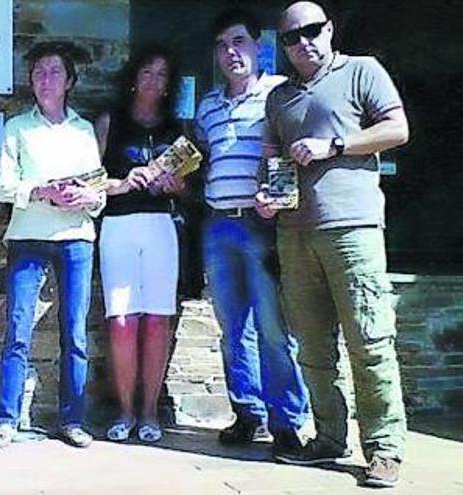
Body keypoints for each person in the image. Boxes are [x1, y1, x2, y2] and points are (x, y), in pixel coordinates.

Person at [255, 2, 409, 488]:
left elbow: (397, 129)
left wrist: (335, 145)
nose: (303, 41)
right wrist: (266, 197)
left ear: (329, 30)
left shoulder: (362, 71)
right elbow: (273, 160)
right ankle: (328, 437)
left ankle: (384, 449)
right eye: (291, 37)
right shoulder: (279, 98)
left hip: (352, 229)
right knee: (314, 348)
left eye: (312, 30)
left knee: (369, 340)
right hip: (294, 233)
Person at [192, 9, 309, 455]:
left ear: (258, 45)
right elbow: (201, 156)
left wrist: (275, 201)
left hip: (262, 225)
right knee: (232, 327)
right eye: (222, 45)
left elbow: (284, 154)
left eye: (238, 42)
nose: (230, 52)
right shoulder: (207, 105)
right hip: (218, 225)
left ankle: (287, 421)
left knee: (274, 327)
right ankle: (247, 412)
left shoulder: (278, 95)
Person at [0, 41, 105, 450]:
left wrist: (84, 198)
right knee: (17, 329)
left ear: (70, 81)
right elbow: (2, 186)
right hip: (27, 237)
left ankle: (72, 420)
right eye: (39, 72)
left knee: (74, 332)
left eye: (55, 71)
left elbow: (98, 192)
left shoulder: (84, 130)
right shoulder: (17, 127)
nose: (46, 78)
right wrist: (41, 192)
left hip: (76, 238)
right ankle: (7, 419)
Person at [94, 45, 185, 443]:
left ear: (169, 85)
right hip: (117, 226)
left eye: (161, 75)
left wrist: (176, 185)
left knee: (157, 320)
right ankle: (125, 411)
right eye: (147, 72)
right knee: (122, 321)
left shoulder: (176, 130)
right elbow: (91, 183)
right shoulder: (109, 122)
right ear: (133, 77)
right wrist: (124, 182)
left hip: (161, 226)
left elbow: (187, 187)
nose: (153, 81)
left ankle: (150, 412)